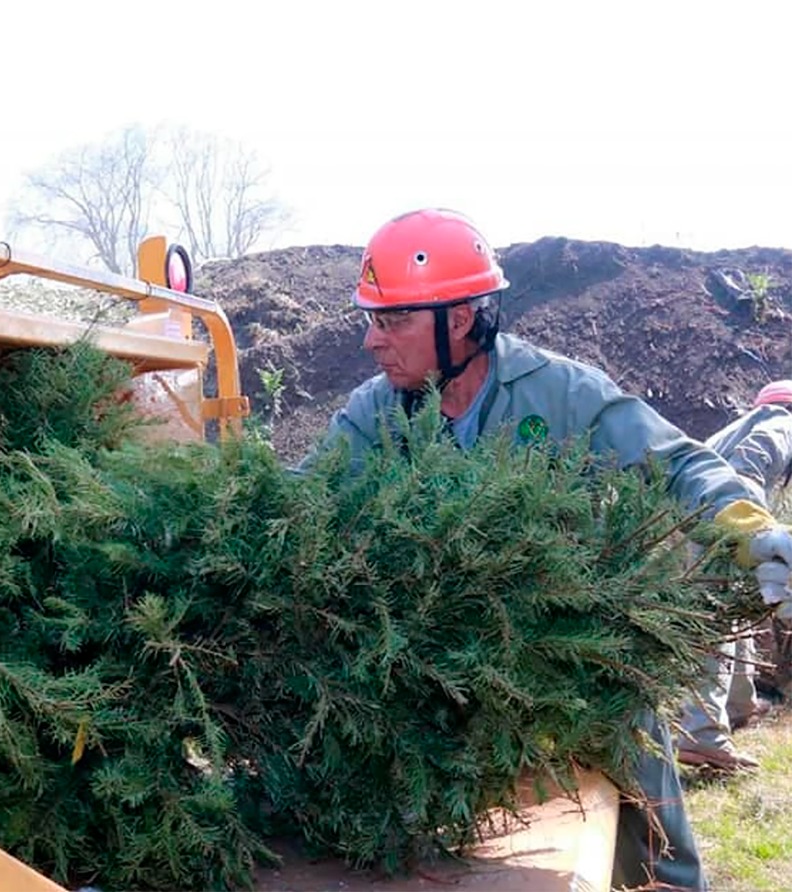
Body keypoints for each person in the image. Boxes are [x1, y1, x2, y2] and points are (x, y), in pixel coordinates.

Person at [298, 208, 792, 892]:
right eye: (372, 319)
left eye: (392, 321)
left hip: (578, 660)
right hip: (441, 670)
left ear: (461, 319)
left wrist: (747, 528)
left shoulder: (560, 393)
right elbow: (300, 499)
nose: (372, 341)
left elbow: (680, 464)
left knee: (650, 839)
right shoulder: (371, 413)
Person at [677, 380, 792, 771]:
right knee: (718, 624)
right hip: (724, 523)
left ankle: (738, 705)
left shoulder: (728, 433)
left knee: (732, 617)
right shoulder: (781, 421)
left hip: (695, 522)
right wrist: (757, 529)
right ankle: (702, 736)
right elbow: (748, 464)